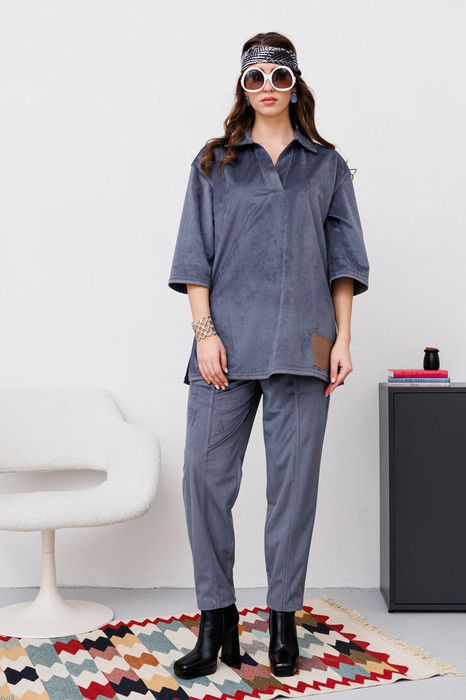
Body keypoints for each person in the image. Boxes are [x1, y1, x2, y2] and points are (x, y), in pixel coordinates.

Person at [168, 32, 370, 680]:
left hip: (306, 343)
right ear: (243, 85)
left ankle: (283, 619)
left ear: (295, 82)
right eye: (254, 76)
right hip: (224, 346)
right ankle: (218, 621)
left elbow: (344, 262)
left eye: (278, 76)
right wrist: (205, 333)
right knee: (203, 480)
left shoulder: (327, 165)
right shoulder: (214, 162)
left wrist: (343, 339)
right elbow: (194, 255)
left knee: (293, 490)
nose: (267, 88)